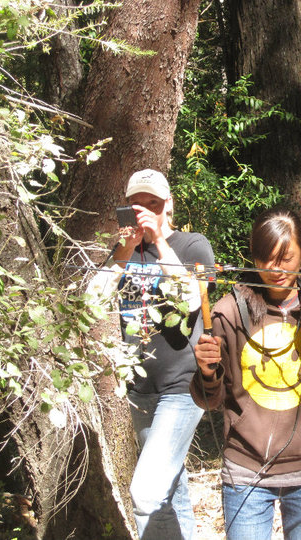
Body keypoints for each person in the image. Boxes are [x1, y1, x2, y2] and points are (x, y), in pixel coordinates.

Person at [190, 207, 301, 540]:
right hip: (246, 471)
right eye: (265, 259)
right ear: (253, 259)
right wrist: (206, 372)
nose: (276, 269)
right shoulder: (229, 312)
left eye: (285, 258)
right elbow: (209, 400)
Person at [89, 169, 215, 539]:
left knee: (145, 494)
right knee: (171, 491)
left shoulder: (193, 245)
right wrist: (122, 256)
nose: (144, 212)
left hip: (183, 387)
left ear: (169, 206)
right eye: (135, 206)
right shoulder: (123, 253)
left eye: (153, 205)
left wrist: (159, 241)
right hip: (139, 390)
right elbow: (90, 306)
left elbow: (191, 301)